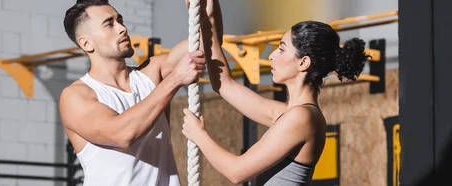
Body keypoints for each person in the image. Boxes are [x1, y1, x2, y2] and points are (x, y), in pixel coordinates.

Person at [181, 18, 370, 185]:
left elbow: (236, 172)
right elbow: (225, 85)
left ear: (303, 63)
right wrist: (207, 20)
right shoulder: (290, 114)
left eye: (281, 49)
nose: (271, 56)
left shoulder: (301, 118)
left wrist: (199, 135)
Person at [58, 0, 222, 185]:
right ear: (86, 43)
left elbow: (205, 46)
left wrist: (207, 13)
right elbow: (123, 134)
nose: (122, 28)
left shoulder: (151, 72)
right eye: (109, 24)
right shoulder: (76, 96)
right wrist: (175, 79)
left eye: (120, 20)